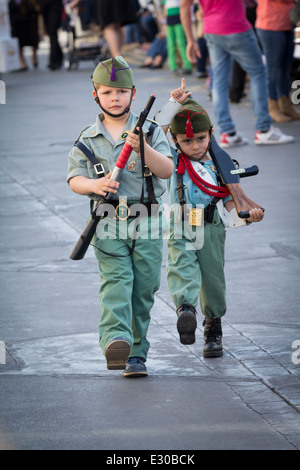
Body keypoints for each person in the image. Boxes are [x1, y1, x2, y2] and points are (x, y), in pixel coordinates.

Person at [67, 56, 173, 377]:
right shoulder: (87, 138)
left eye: (121, 92)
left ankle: (137, 353)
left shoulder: (151, 132)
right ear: (95, 96)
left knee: (143, 288)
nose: (115, 98)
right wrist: (94, 184)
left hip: (148, 222)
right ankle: (116, 340)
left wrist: (143, 149)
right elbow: (75, 179)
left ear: (134, 94)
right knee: (116, 283)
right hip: (108, 224)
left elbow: (167, 170)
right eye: (107, 92)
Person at [155, 79, 264, 356]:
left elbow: (230, 198)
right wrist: (173, 105)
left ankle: (212, 326)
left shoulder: (220, 164)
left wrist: (246, 215)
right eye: (186, 140)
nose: (194, 145)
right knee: (181, 268)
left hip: (212, 226)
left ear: (211, 134)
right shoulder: (171, 158)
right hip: (181, 223)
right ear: (176, 140)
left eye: (201, 138)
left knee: (213, 280)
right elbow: (154, 132)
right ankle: (186, 311)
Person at [179, 0, 294, 147]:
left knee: (220, 80)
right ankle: (264, 130)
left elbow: (184, 5)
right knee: (258, 73)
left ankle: (228, 133)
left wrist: (190, 40)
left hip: (212, 29)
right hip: (235, 26)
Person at [255, 0, 300, 121]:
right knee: (273, 69)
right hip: (270, 25)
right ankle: (272, 107)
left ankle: (285, 105)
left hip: (287, 23)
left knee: (285, 68)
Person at [163, 0, 193, 75]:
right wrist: (163, 23)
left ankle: (188, 65)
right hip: (169, 20)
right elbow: (164, 9)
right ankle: (173, 67)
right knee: (170, 44)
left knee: (181, 43)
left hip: (179, 19)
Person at [9, 0, 40, 71]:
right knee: (18, 38)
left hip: (29, 11)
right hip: (16, 13)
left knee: (33, 36)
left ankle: (34, 55)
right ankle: (22, 61)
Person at [38, 0, 63, 70]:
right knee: (51, 33)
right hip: (44, 6)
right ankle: (59, 56)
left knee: (52, 31)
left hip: (54, 5)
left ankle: (53, 60)